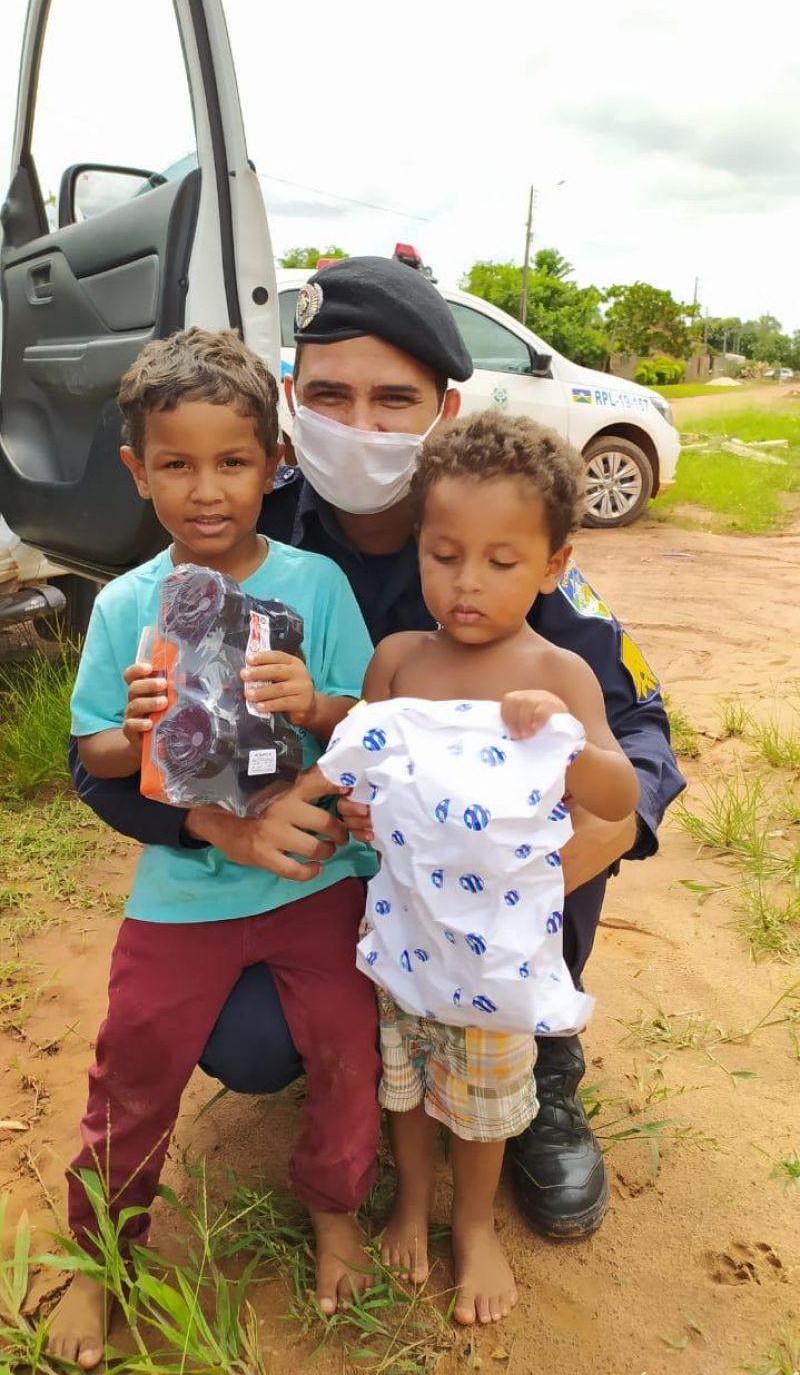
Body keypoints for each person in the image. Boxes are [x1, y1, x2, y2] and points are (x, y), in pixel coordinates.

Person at [69, 256, 685, 1244]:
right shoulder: (239, 530)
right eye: (329, 394)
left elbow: (638, 737)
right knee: (251, 1043)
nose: (359, 423)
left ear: (441, 407)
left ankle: (536, 1049)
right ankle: (363, 1041)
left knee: (554, 779)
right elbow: (104, 750)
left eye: (392, 398)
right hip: (323, 879)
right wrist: (209, 821)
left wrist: (524, 878)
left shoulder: (496, 531)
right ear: (288, 402)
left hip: (485, 897)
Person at [49, 329, 382, 1370]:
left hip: (308, 876)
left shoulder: (316, 585)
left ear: (273, 464)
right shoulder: (122, 603)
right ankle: (102, 1251)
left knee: (344, 1047)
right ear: (136, 470)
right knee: (133, 1064)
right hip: (181, 893)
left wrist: (315, 699)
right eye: (177, 463)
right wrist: (138, 728)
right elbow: (91, 747)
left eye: (233, 460)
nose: (206, 490)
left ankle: (333, 1204)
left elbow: (364, 725)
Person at [316, 411, 640, 1324]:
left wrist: (567, 740)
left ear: (553, 562)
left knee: (490, 1105)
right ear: (419, 544)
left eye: (502, 562)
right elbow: (361, 780)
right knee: (408, 1087)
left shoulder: (560, 671)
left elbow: (614, 797)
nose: (466, 583)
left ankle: (476, 1226)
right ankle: (413, 1204)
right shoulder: (399, 662)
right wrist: (357, 808)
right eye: (444, 553)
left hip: (498, 957)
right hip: (405, 941)